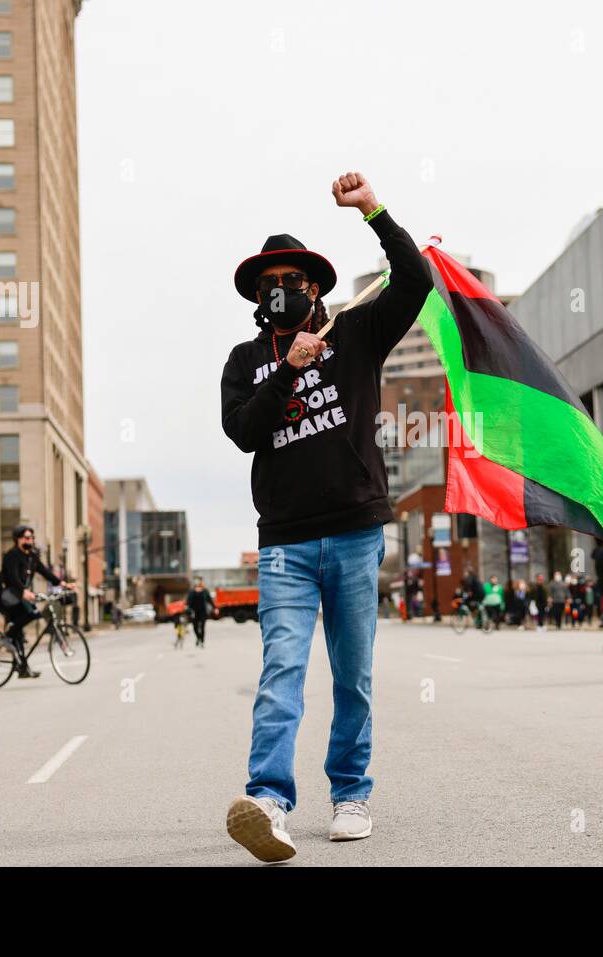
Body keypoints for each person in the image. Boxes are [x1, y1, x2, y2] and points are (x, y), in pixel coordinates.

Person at [219, 171, 432, 863]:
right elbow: (244, 432)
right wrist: (288, 370)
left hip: (353, 532)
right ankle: (269, 801)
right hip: (283, 542)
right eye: (270, 280)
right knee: (281, 666)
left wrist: (372, 207)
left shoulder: (359, 330)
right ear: (259, 297)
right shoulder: (245, 360)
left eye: (295, 277)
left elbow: (416, 278)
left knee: (353, 673)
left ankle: (351, 794)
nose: (283, 287)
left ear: (315, 289)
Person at [0, 525, 73, 679]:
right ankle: (6, 638)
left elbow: (45, 572)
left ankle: (22, 668)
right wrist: (24, 592)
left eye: (32, 538)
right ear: (18, 540)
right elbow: (13, 577)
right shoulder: (11, 556)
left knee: (20, 631)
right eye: (26, 538)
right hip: (5, 595)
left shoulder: (32, 557)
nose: (30, 541)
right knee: (32, 613)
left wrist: (62, 583)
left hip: (19, 596)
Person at [185, 578, 214, 648]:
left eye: (199, 582)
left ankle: (202, 641)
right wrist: (187, 607)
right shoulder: (191, 591)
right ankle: (198, 637)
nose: (197, 583)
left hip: (203, 612)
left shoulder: (205, 591)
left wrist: (215, 608)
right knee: (195, 627)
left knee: (202, 627)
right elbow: (188, 601)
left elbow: (210, 600)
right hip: (194, 612)